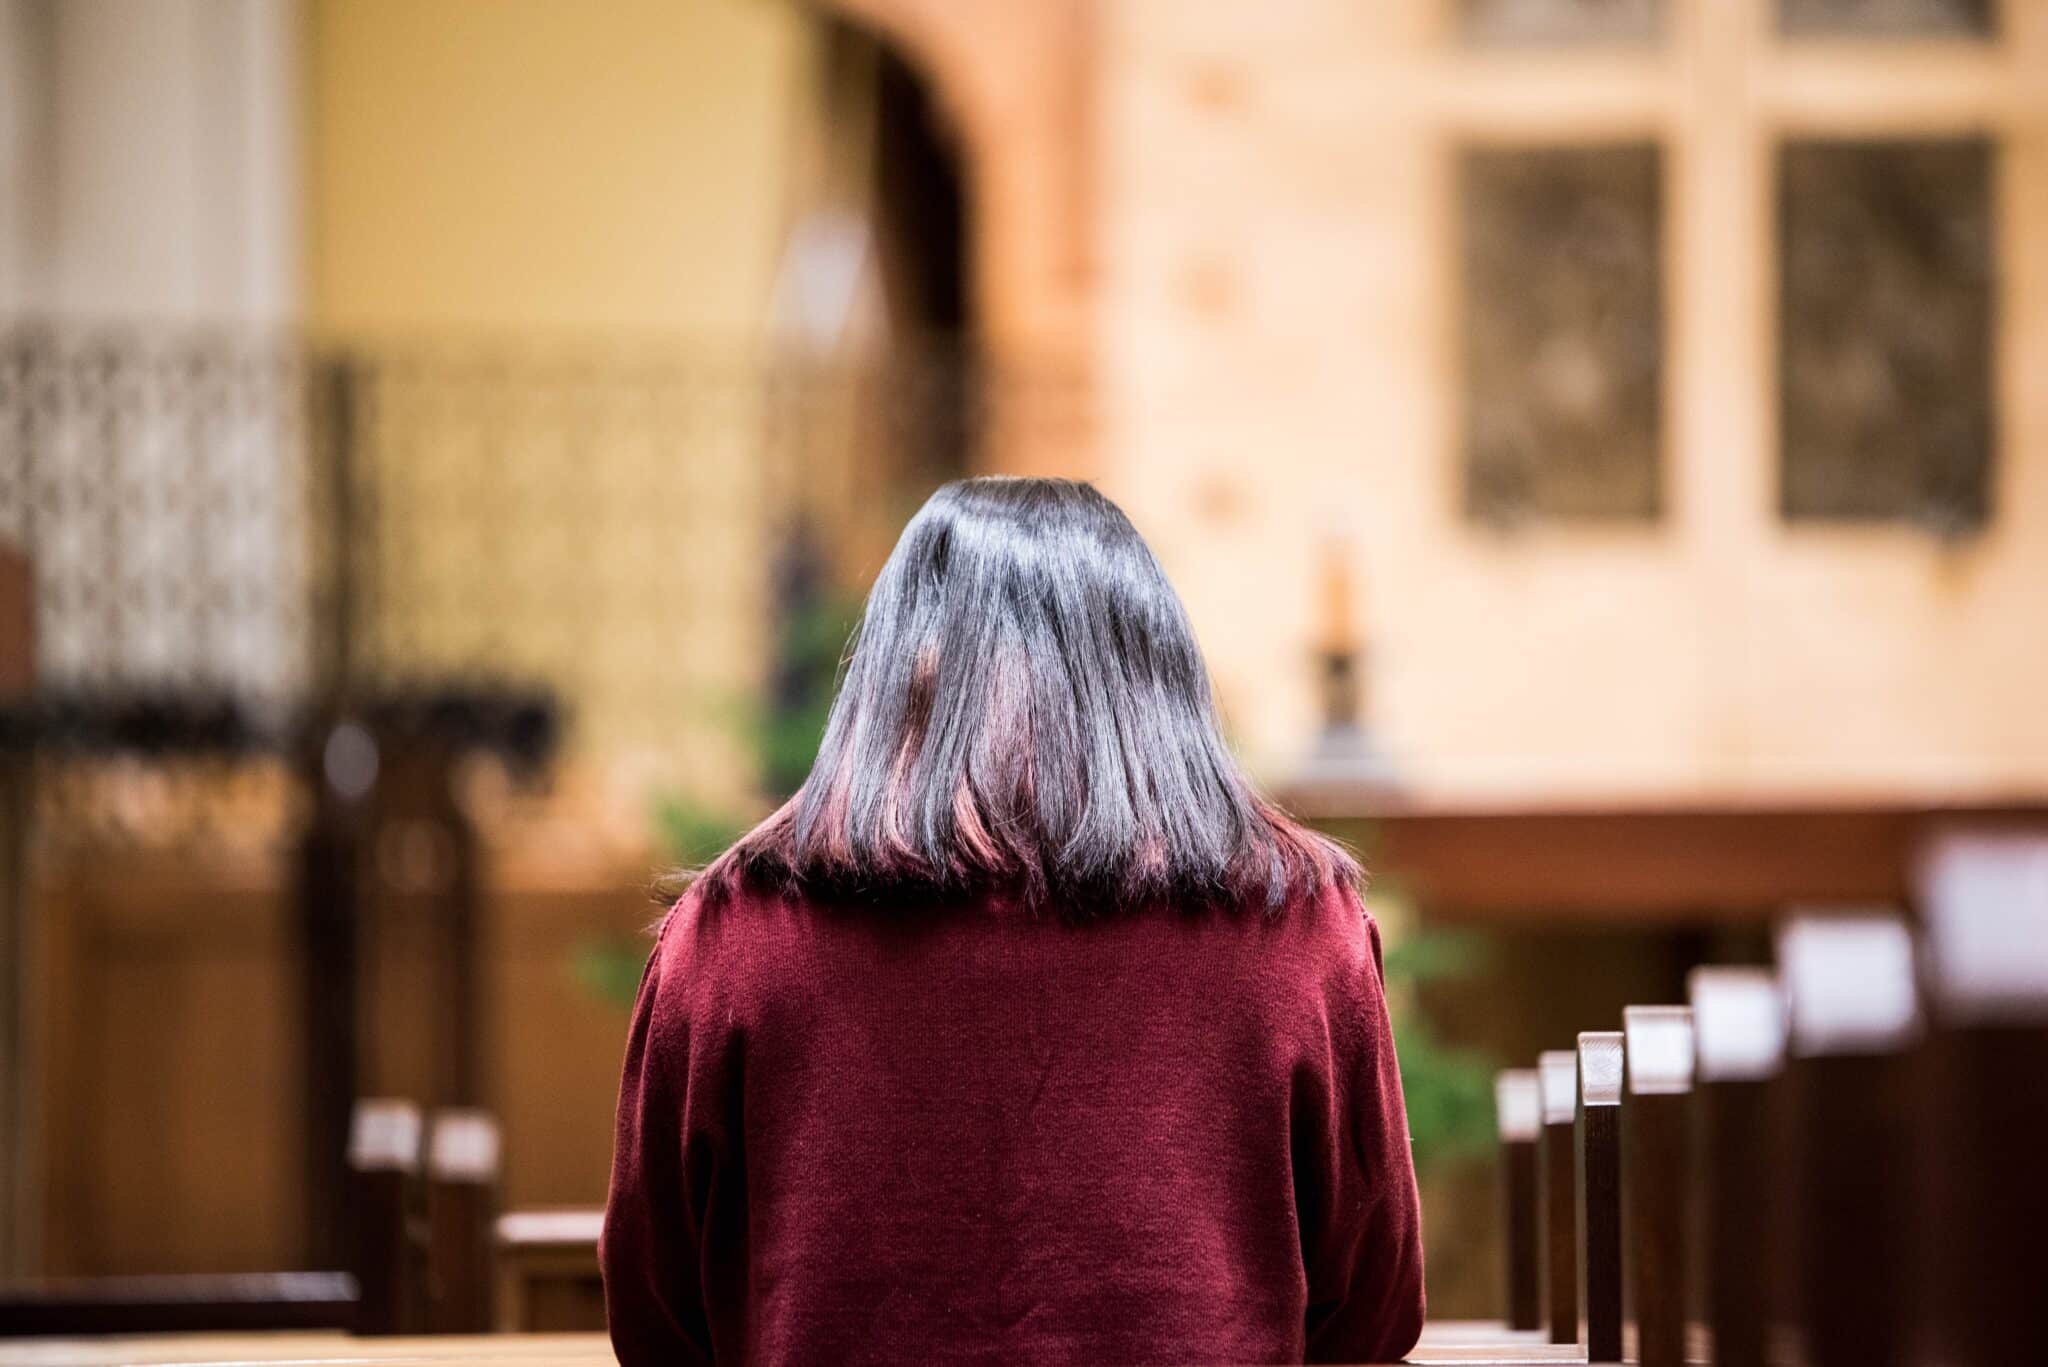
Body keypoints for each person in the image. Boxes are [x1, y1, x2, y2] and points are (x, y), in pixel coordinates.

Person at [600, 477, 1425, 1365]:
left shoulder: (730, 939)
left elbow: (656, 1316)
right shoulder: (1301, 933)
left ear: (886, 676)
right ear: (1157, 677)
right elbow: (1373, 1314)